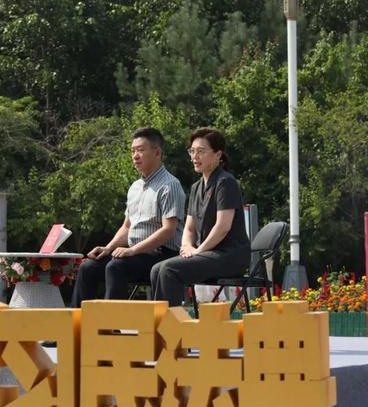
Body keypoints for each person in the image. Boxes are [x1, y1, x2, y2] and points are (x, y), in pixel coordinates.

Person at [70, 127, 186, 307]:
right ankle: (78, 328)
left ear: (157, 152)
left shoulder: (170, 185)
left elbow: (168, 230)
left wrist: (132, 251)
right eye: (132, 151)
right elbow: (126, 226)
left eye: (140, 150)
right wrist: (107, 249)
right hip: (135, 255)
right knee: (88, 267)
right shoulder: (135, 187)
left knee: (116, 266)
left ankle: (113, 327)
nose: (135, 156)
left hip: (161, 255)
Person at [150, 127, 250, 307]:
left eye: (201, 152)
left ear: (218, 155)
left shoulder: (225, 182)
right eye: (192, 151)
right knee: (157, 269)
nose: (195, 157)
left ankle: (171, 328)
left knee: (169, 269)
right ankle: (160, 324)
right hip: (208, 253)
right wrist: (187, 246)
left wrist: (199, 250)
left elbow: (223, 226)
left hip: (229, 255)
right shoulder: (196, 187)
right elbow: (189, 228)